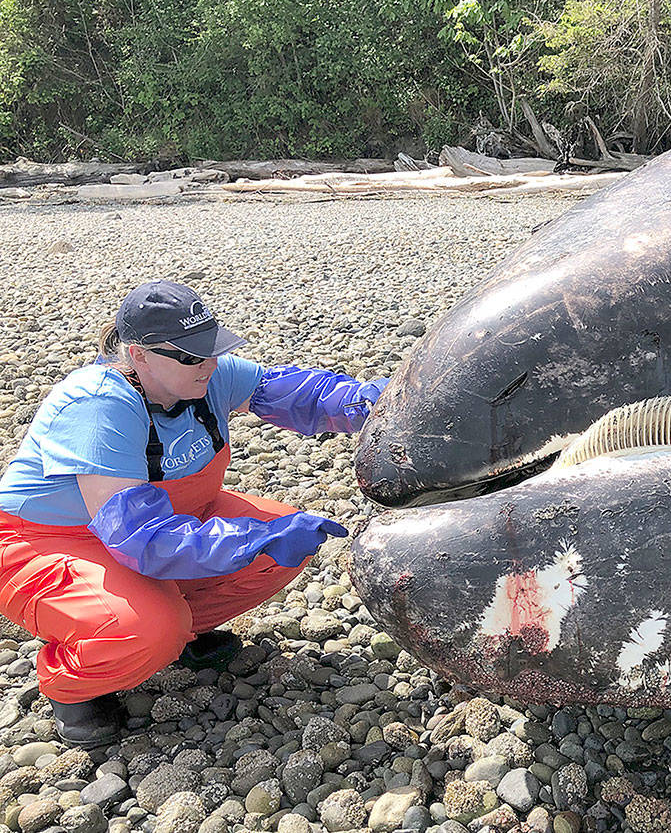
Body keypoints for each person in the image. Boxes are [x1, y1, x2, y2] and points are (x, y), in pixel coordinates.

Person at [0, 280, 389, 747]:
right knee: (146, 629)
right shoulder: (97, 406)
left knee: (274, 551)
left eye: (212, 348)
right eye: (190, 355)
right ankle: (73, 683)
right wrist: (251, 540)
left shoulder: (208, 376)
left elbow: (302, 394)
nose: (207, 363)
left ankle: (175, 636)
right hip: (48, 542)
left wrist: (382, 405)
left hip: (166, 518)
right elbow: (142, 538)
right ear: (139, 355)